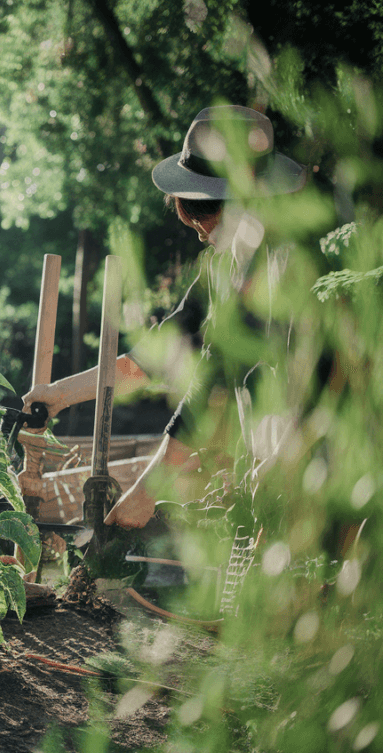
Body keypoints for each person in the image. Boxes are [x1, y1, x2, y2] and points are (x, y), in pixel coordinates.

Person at [21, 105, 307, 529]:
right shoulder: (220, 267)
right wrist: (61, 394)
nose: (200, 233)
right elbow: (155, 354)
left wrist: (146, 491)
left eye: (206, 217)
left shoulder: (283, 267)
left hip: (304, 463)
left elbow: (211, 386)